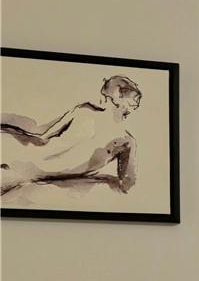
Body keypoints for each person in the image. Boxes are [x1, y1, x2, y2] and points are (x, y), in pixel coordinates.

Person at [1, 73, 141, 196]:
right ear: (117, 96)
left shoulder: (126, 141)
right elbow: (44, 137)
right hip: (32, 160)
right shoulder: (85, 110)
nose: (136, 106)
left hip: (36, 168)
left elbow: (127, 184)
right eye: (134, 100)